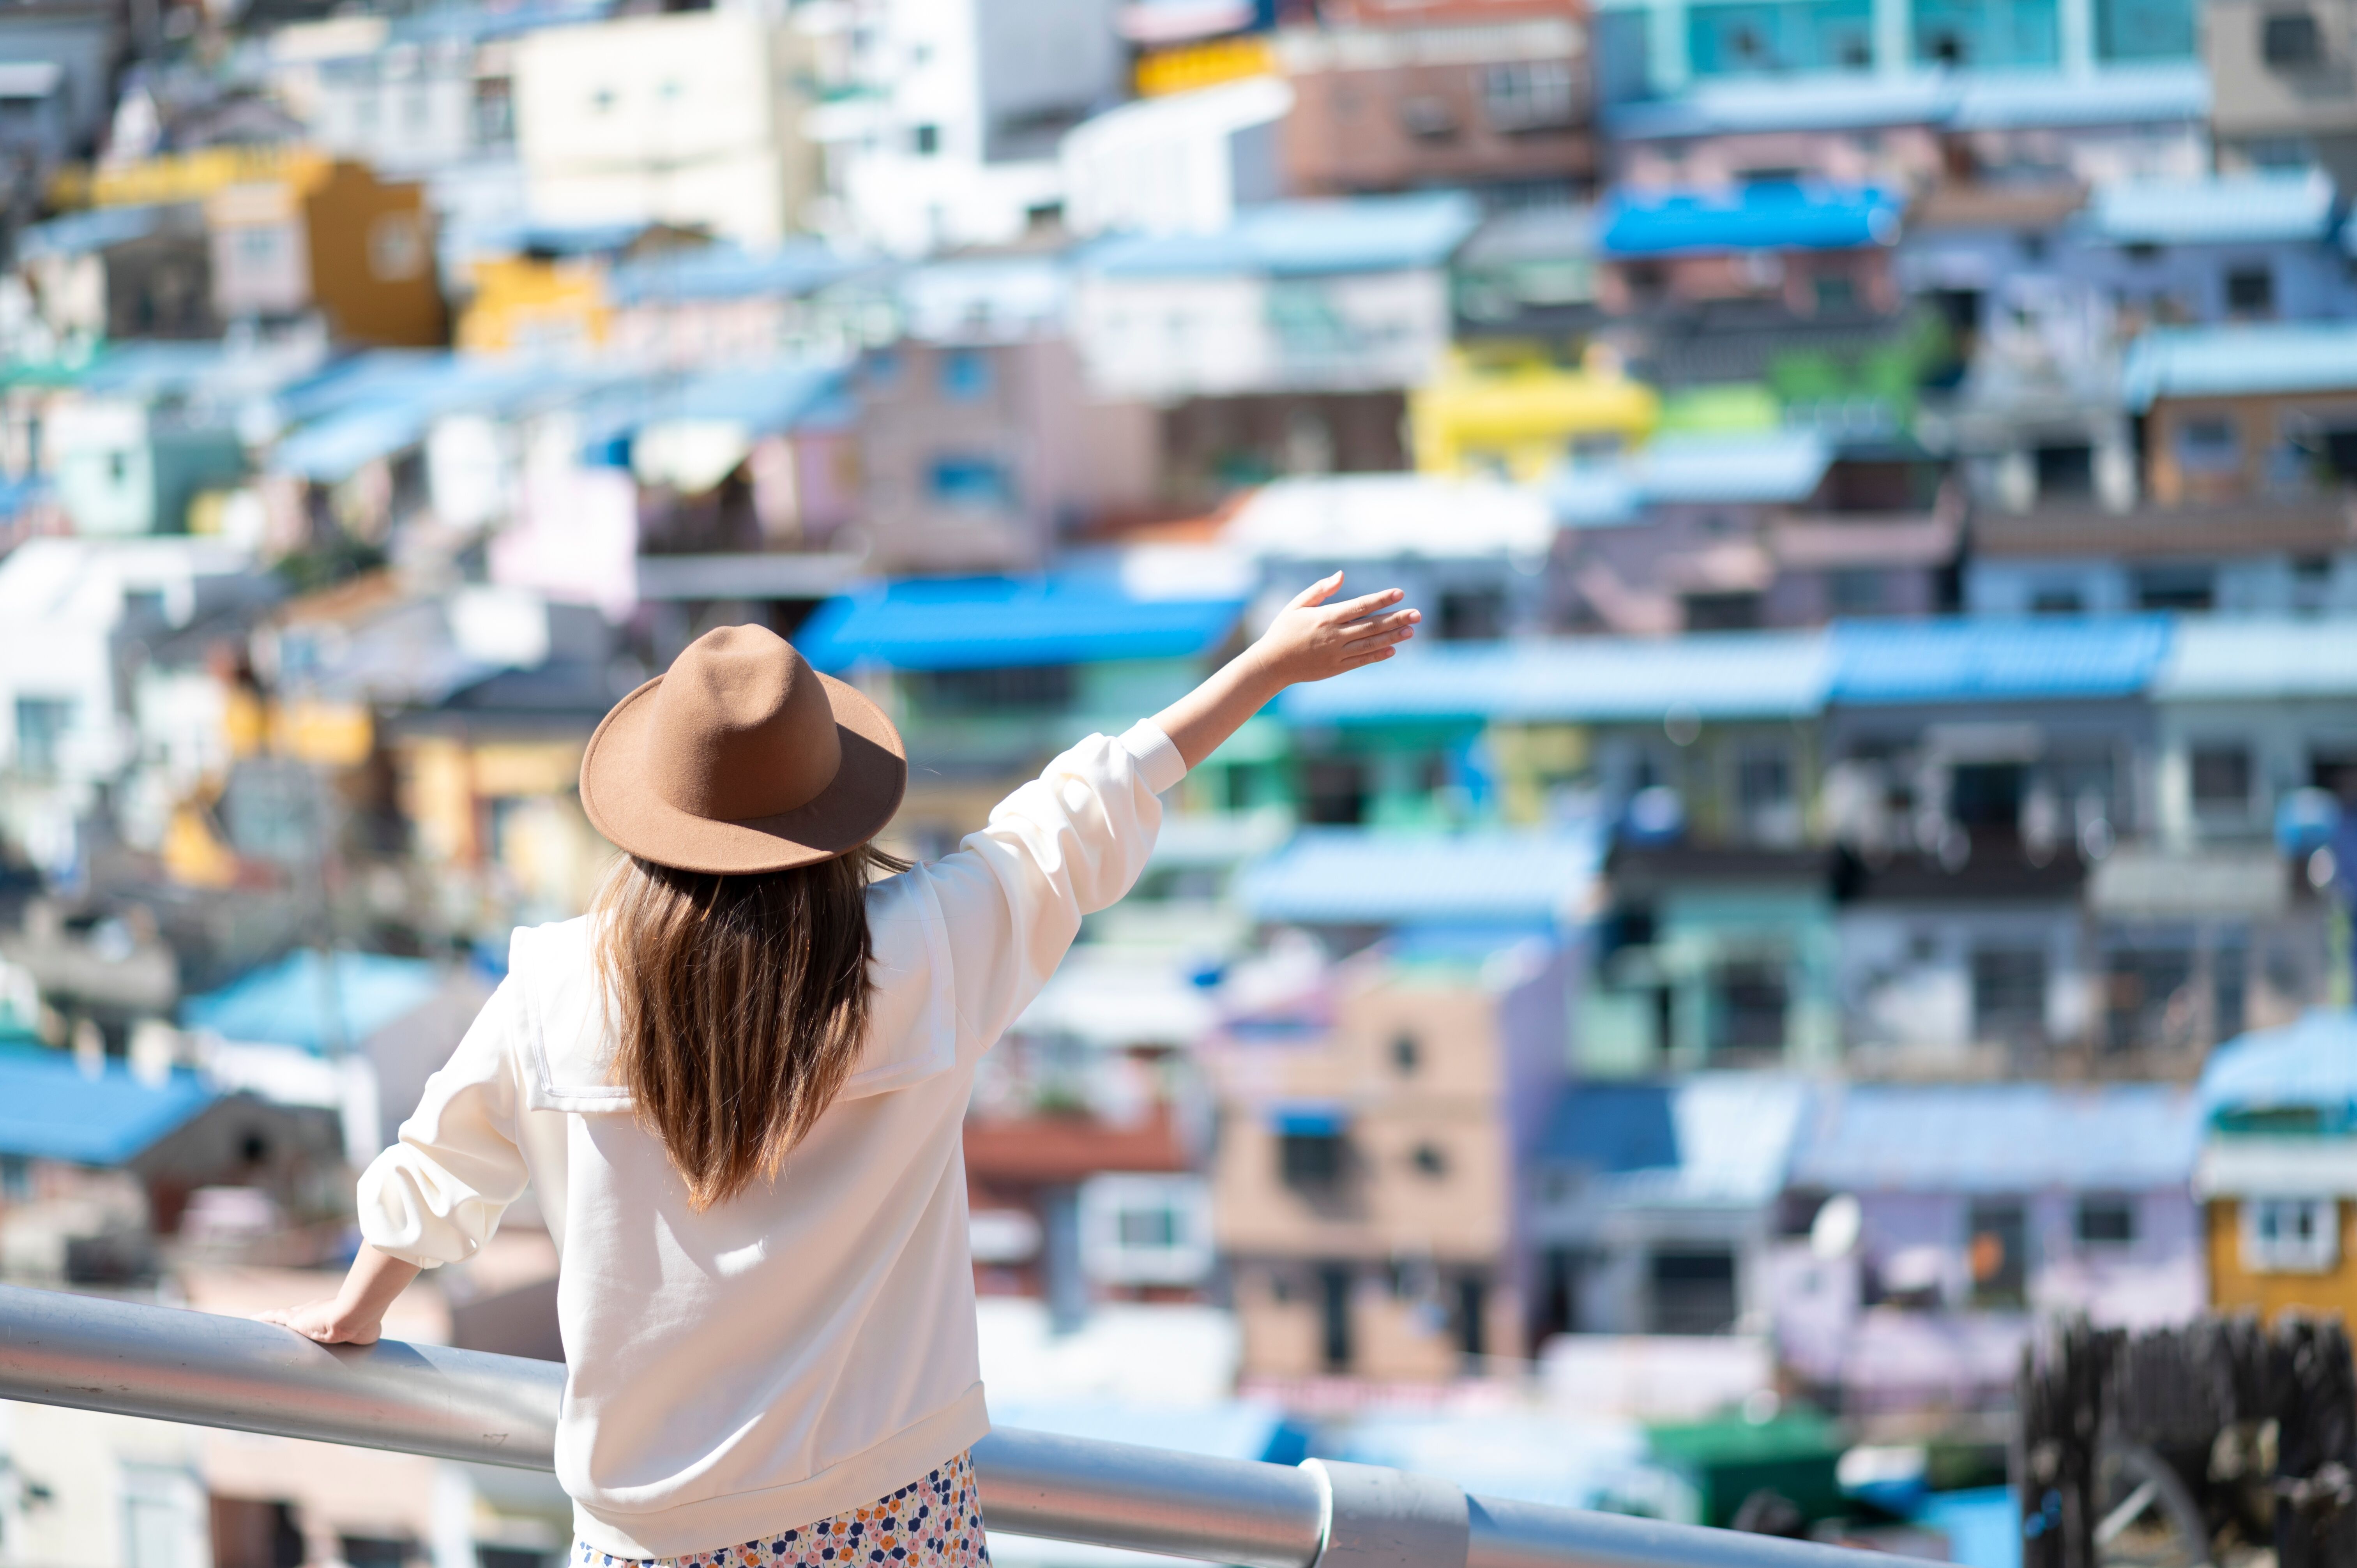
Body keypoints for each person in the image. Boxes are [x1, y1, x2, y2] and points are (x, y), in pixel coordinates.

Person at [263, 573, 1419, 1568]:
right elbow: (1088, 808)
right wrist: (1265, 668)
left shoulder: (556, 987)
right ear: (834, 810)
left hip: (649, 1528)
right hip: (889, 1508)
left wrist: (359, 1311)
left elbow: (439, 1170)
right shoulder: (932, 951)